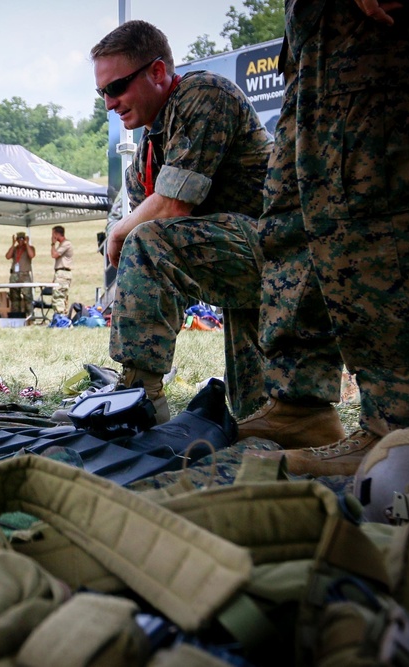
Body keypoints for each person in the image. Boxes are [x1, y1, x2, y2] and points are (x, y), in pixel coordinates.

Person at [239, 1, 409, 476]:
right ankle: (299, 405)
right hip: (313, 38)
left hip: (382, 30)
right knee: (294, 216)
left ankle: (406, 423)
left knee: (379, 200)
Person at [91, 20, 269, 422]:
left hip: (282, 254)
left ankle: (138, 396)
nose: (108, 103)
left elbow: (172, 207)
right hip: (244, 267)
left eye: (116, 87)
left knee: (147, 240)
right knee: (256, 416)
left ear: (157, 72)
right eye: (101, 92)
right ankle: (137, 391)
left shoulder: (203, 93)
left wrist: (121, 231)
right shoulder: (146, 156)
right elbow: (141, 245)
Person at [5, 231, 36, 316]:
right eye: (19, 239)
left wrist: (27, 244)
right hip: (14, 275)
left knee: (28, 297)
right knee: (14, 298)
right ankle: (16, 316)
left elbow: (32, 255)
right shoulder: (15, 249)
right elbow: (7, 256)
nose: (20, 241)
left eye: (22, 239)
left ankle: (30, 317)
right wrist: (13, 244)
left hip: (25, 275)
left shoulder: (30, 248)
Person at [49, 226, 73, 317]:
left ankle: (60, 317)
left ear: (56, 234)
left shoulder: (66, 244)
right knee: (62, 296)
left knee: (59, 296)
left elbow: (54, 255)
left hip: (63, 273)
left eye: (53, 234)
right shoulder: (63, 244)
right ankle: (62, 317)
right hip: (61, 273)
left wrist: (52, 244)